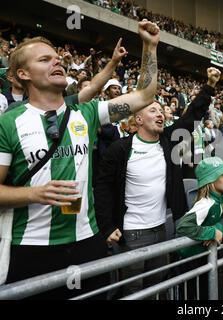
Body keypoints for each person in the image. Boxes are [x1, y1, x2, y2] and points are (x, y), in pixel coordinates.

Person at [0, 19, 160, 298]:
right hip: (32, 249)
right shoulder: (8, 123)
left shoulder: (85, 113)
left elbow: (145, 94)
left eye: (57, 57)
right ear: (23, 74)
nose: (57, 61)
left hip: (88, 243)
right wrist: (35, 193)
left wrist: (150, 46)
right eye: (45, 59)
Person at [94, 67, 220, 296]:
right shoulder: (120, 149)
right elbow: (102, 188)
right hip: (131, 234)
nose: (161, 114)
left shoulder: (168, 141)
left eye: (162, 111)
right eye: (153, 110)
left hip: (162, 229)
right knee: (132, 289)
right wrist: (107, 225)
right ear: (138, 119)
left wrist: (209, 86)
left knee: (157, 284)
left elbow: (192, 116)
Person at [176, 157, 223, 299]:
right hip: (188, 261)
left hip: (203, 256)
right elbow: (182, 226)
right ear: (211, 181)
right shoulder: (205, 203)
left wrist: (217, 229)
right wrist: (211, 233)